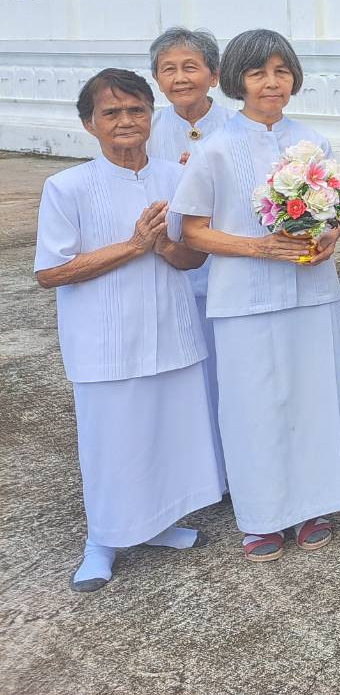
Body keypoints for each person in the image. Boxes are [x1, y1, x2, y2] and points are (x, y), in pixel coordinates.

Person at [36, 69, 224, 592]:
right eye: (111, 113)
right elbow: (51, 271)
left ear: (150, 117)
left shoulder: (176, 176)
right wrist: (134, 245)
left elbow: (191, 259)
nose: (125, 122)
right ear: (89, 124)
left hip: (170, 326)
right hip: (104, 338)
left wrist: (166, 247)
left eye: (136, 110)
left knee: (165, 431)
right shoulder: (65, 186)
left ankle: (158, 523)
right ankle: (102, 539)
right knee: (110, 441)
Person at [172, 30, 340, 562]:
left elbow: (335, 211)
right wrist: (258, 247)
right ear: (236, 81)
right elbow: (193, 231)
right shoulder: (215, 150)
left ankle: (317, 502)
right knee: (254, 405)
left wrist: (328, 238)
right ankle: (262, 515)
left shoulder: (313, 144)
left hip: (310, 291)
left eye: (280, 71)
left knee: (314, 397)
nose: (271, 83)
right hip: (243, 298)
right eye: (258, 73)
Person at [145, 27, 234, 484]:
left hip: (224, 267)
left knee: (226, 374)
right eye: (168, 69)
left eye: (191, 67)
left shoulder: (236, 128)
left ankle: (229, 465)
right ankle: (197, 475)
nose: (180, 78)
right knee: (185, 381)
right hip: (170, 269)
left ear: (214, 75)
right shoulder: (147, 129)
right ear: (157, 79)